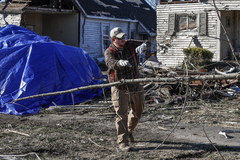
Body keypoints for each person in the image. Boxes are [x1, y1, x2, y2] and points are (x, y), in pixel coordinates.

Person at [104, 27, 145, 152]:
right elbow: (110, 63)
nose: (123, 40)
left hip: (135, 83)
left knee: (138, 110)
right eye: (120, 39)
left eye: (123, 37)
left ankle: (129, 131)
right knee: (121, 114)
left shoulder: (129, 44)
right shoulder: (109, 51)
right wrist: (118, 63)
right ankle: (122, 142)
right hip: (119, 85)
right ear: (113, 39)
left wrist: (143, 46)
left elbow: (147, 42)